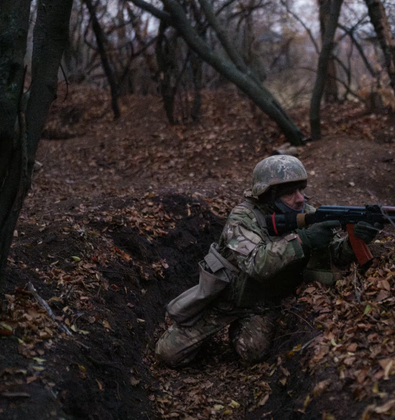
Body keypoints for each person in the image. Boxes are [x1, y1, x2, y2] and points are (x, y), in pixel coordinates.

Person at [155, 155, 382, 367]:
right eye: (289, 193)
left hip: (264, 302)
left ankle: (239, 330)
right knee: (168, 354)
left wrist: (355, 241)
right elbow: (257, 264)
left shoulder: (308, 213)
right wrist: (302, 240)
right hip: (226, 298)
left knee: (251, 353)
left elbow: (334, 255)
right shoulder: (243, 218)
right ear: (268, 194)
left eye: (301, 190)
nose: (300, 198)